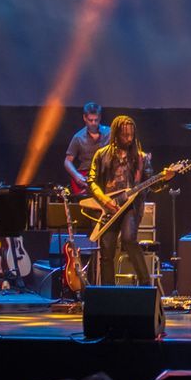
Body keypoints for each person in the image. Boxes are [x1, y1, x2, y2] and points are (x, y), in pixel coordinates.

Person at [87, 114, 154, 288]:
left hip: (131, 207)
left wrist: (166, 178)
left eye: (131, 135)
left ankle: (146, 285)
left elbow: (152, 184)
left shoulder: (141, 158)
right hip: (108, 207)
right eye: (125, 135)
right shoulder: (102, 155)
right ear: (116, 134)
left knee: (129, 239)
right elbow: (91, 181)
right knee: (107, 250)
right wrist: (104, 201)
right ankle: (109, 291)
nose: (129, 138)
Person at [62, 101, 109, 197]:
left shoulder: (110, 133)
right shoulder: (78, 137)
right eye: (90, 120)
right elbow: (67, 161)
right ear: (84, 118)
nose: (93, 123)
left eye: (96, 120)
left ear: (100, 117)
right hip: (85, 179)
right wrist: (76, 176)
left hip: (105, 177)